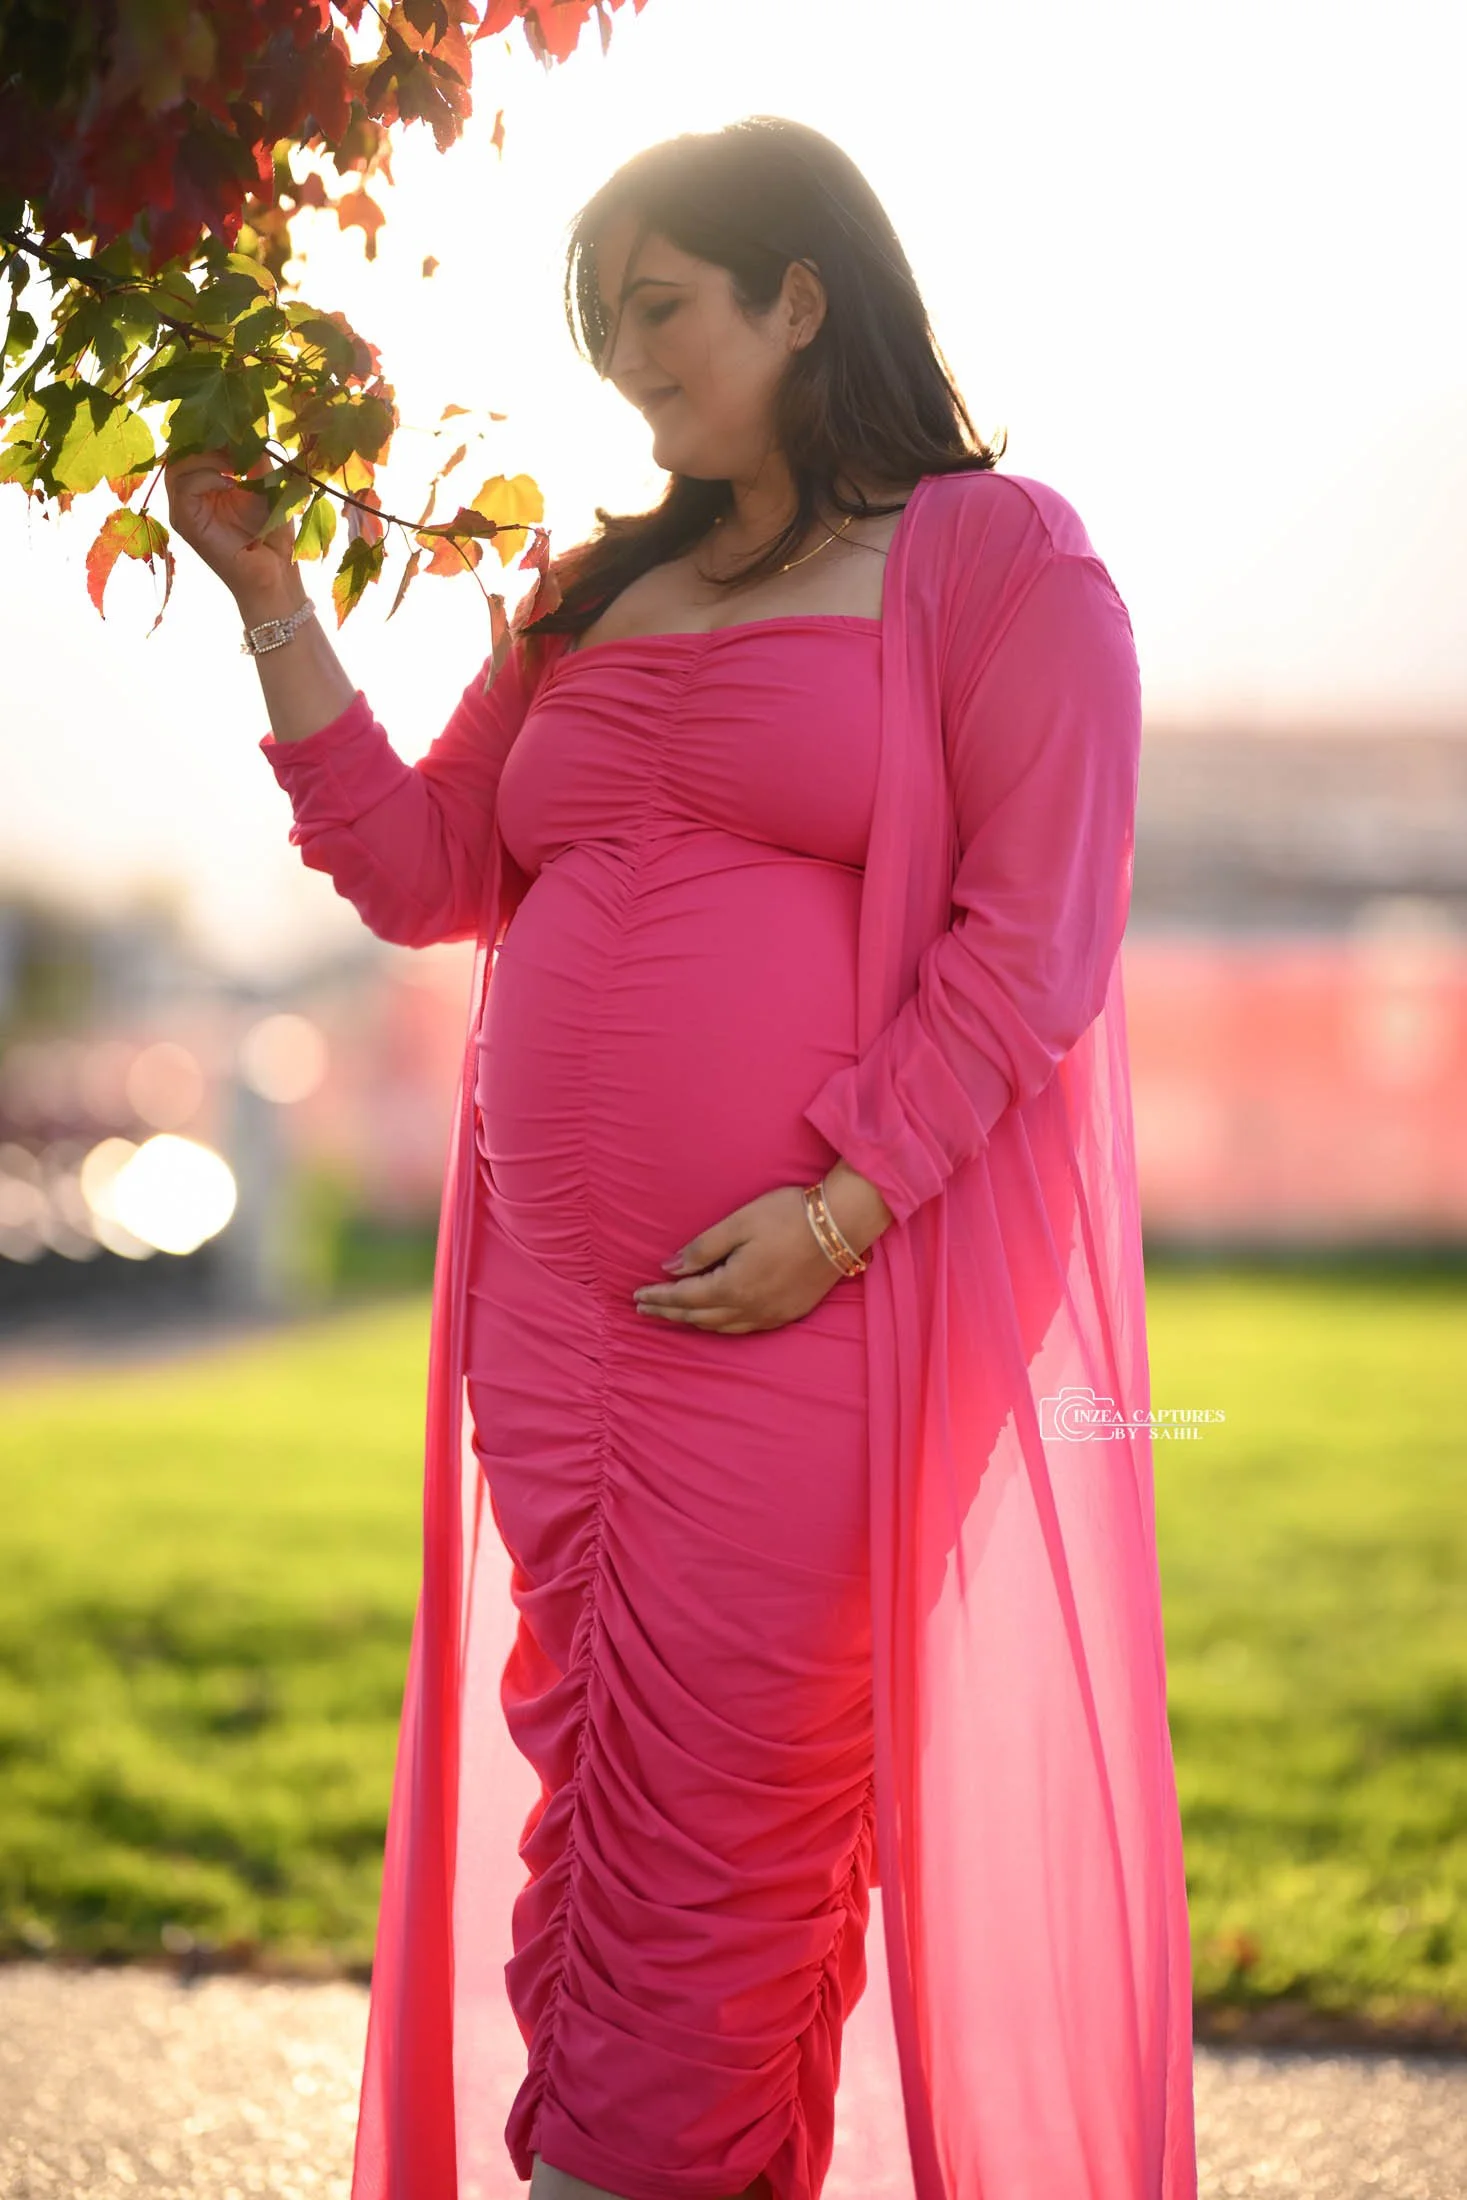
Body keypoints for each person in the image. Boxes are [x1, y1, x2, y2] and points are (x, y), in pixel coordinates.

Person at [167, 115, 1196, 2200]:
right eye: (600, 318)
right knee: (605, 1819)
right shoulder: (591, 587)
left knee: (726, 1834)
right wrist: (276, 598)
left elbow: (1033, 944)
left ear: (796, 299)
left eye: (660, 307)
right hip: (552, 1332)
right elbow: (421, 863)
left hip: (812, 1315)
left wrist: (834, 1212)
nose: (624, 355)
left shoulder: (1000, 564)